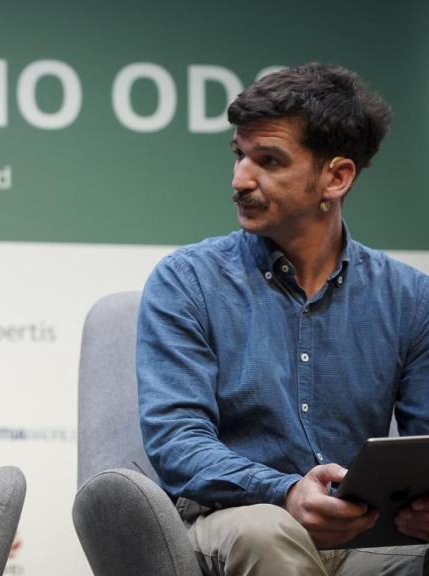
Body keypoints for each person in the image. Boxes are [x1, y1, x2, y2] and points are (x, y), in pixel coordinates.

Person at [137, 63, 429, 575]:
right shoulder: (186, 281)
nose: (240, 179)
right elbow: (177, 441)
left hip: (367, 532)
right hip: (238, 519)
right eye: (240, 156)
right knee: (267, 533)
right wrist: (285, 490)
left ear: (336, 177)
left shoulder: (410, 297)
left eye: (268, 161)